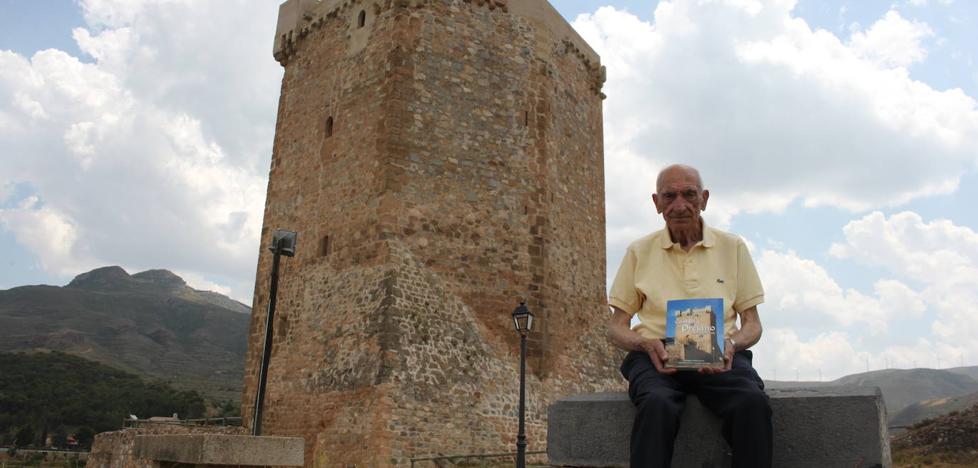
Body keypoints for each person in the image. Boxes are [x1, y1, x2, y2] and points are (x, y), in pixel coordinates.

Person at [607, 164, 772, 468]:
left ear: (704, 198)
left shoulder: (732, 247)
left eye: (689, 195)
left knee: (751, 402)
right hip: (656, 355)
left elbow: (753, 324)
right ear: (656, 203)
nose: (679, 205)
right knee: (656, 404)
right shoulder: (638, 251)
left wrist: (732, 344)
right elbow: (616, 327)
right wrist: (645, 344)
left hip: (722, 354)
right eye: (669, 196)